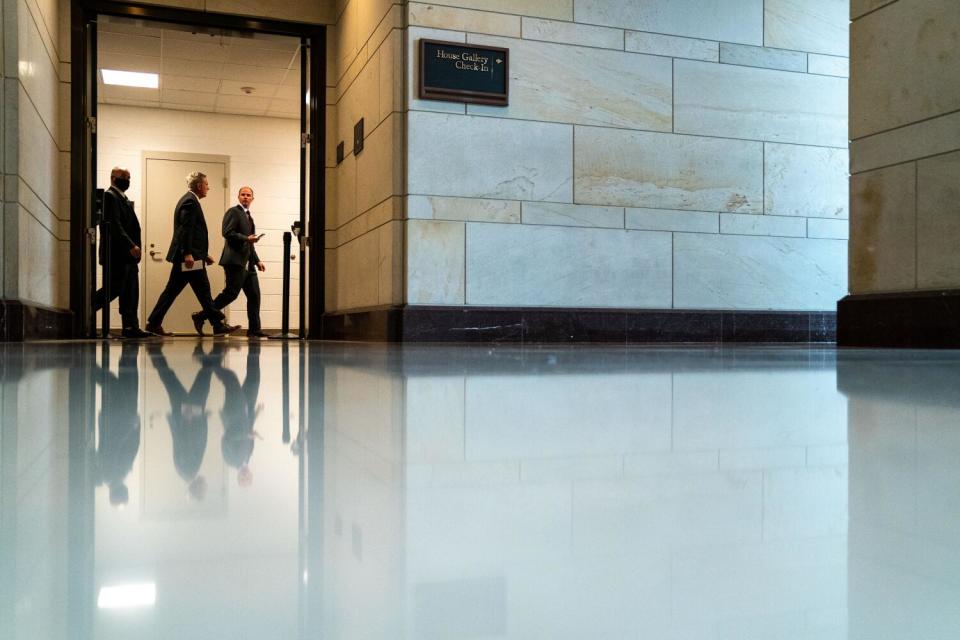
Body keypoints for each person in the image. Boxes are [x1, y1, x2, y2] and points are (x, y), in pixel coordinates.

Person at [145, 171, 239, 337]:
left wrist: (203, 254)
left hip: (193, 256)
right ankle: (217, 323)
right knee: (200, 291)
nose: (208, 188)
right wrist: (187, 253)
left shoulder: (190, 200)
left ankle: (155, 323)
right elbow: (185, 230)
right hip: (188, 258)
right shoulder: (190, 201)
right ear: (199, 185)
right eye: (207, 185)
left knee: (182, 291)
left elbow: (193, 232)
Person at [93, 167, 153, 338]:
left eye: (129, 177)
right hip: (118, 254)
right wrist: (130, 245)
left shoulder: (122, 198)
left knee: (130, 292)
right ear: (113, 178)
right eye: (124, 177)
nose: (127, 180)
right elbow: (115, 225)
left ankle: (130, 327)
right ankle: (86, 311)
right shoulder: (110, 196)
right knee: (113, 289)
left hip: (128, 256)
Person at [202, 186, 268, 338]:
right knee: (231, 294)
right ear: (238, 197)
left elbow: (249, 243)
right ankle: (202, 315)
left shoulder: (249, 217)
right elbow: (227, 233)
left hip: (248, 264)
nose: (245, 197)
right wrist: (246, 238)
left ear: (252, 198)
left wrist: (257, 261)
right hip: (234, 261)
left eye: (248, 195)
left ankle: (254, 330)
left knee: (254, 296)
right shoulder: (233, 212)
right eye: (243, 195)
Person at [94, 342, 142, 506]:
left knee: (115, 384)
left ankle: (87, 366)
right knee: (128, 380)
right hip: (123, 418)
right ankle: (128, 350)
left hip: (119, 419)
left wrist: (131, 425)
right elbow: (130, 447)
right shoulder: (116, 475)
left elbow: (114, 444)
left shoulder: (109, 473)